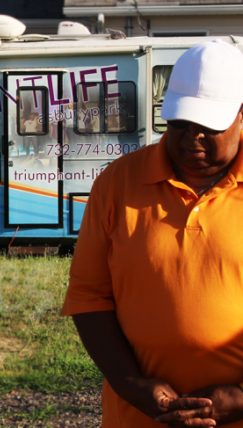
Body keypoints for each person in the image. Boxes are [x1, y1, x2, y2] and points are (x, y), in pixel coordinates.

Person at [62, 39, 243, 427]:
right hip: (136, 416)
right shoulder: (118, 182)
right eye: (179, 121)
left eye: (209, 125)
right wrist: (132, 385)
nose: (191, 136)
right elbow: (88, 295)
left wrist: (240, 398)